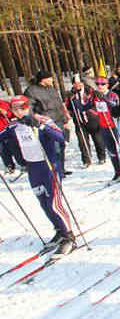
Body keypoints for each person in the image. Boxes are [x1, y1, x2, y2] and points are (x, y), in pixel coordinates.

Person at [0, 96, 74, 255]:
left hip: (48, 165)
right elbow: (2, 138)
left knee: (54, 202)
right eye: (15, 108)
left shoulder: (42, 120)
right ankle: (59, 230)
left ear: (29, 106)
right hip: (33, 167)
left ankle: (69, 236)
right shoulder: (14, 125)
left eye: (23, 107)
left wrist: (40, 126)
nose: (19, 111)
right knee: (43, 202)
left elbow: (61, 137)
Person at [84, 77, 120, 181]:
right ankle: (118, 173)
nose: (100, 86)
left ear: (107, 85)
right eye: (98, 84)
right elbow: (84, 107)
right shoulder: (95, 97)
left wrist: (104, 98)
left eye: (102, 84)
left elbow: (114, 106)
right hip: (104, 128)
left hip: (116, 126)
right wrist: (78, 97)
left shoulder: (113, 95)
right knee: (111, 152)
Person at [24, 70, 71, 176]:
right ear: (43, 79)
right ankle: (55, 171)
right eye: (50, 78)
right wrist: (36, 122)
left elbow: (59, 105)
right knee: (54, 149)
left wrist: (65, 120)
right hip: (47, 124)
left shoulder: (51, 89)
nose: (52, 80)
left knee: (62, 146)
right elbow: (29, 108)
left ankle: (61, 169)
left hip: (59, 121)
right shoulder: (31, 91)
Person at [66, 75, 105, 168]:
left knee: (98, 139)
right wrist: (69, 113)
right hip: (79, 121)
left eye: (79, 83)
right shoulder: (71, 94)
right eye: (75, 83)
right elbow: (68, 107)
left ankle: (101, 156)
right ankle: (86, 160)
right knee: (82, 141)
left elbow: (98, 100)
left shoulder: (90, 91)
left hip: (93, 119)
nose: (77, 85)